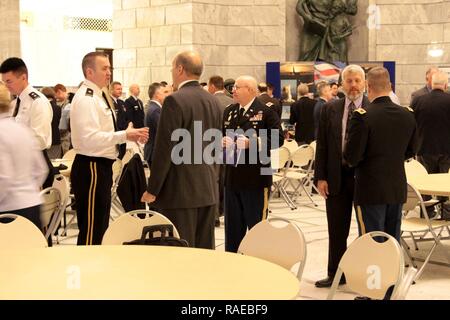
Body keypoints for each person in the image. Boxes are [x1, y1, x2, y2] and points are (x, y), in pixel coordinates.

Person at [141, 51, 222, 249]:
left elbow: (164, 149)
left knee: (181, 253)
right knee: (204, 251)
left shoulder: (174, 100)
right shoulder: (213, 101)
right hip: (207, 188)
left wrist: (153, 189)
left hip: (180, 192)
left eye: (172, 68)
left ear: (180, 69)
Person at [70, 52, 149, 245]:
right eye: (104, 68)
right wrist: (125, 135)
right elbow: (90, 139)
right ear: (89, 71)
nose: (109, 72)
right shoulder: (87, 99)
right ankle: (86, 270)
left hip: (100, 166)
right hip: (91, 167)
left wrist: (126, 133)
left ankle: (96, 269)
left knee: (100, 226)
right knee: (91, 229)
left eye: (109, 68)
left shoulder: (98, 96)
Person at [344, 66, 417, 242]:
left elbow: (351, 157)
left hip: (370, 189)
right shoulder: (407, 114)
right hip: (396, 187)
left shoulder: (362, 116)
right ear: (390, 86)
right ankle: (392, 270)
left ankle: (376, 270)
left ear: (368, 86)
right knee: (393, 241)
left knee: (371, 242)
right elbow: (412, 150)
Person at [314, 64, 369, 288]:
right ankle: (335, 273)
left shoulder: (373, 107)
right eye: (349, 81)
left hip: (365, 179)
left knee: (367, 231)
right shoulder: (330, 109)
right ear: (342, 84)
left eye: (357, 80)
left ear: (365, 83)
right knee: (336, 229)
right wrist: (320, 177)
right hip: (336, 178)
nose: (353, 85)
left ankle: (368, 274)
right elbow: (323, 146)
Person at [222, 75, 284, 253]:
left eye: (237, 87)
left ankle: (258, 265)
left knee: (257, 228)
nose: (233, 90)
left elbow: (278, 139)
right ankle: (233, 264)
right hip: (233, 178)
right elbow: (223, 135)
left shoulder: (266, 111)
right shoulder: (230, 111)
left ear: (250, 90)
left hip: (256, 178)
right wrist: (221, 142)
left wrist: (252, 143)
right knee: (232, 229)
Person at [0, 57, 54, 188]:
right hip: (19, 164)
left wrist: (15, 145)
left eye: (9, 81)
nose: (6, 86)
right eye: (3, 82)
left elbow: (40, 139)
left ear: (23, 77)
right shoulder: (14, 103)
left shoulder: (37, 102)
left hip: (35, 165)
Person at [0, 82, 48, 229]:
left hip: (9, 211)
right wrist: (27, 189)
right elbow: (41, 169)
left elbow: (4, 177)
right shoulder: (22, 129)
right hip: (32, 205)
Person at [413, 71, 450, 218]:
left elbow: (412, 124)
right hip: (447, 149)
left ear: (431, 84)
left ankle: (426, 212)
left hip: (424, 148)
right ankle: (446, 212)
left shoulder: (418, 101)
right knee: (445, 182)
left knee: (425, 181)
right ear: (445, 85)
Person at [208, 75, 234, 227]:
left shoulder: (209, 102)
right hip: (231, 147)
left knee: (215, 182)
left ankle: (215, 215)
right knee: (225, 180)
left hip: (212, 147)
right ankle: (225, 211)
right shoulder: (231, 102)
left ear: (212, 86)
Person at [143, 82, 170, 166]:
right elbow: (164, 131)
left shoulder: (154, 107)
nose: (166, 95)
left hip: (154, 153)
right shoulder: (155, 110)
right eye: (164, 92)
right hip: (155, 153)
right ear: (157, 95)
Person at [41, 87, 62, 159]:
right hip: (55, 139)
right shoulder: (58, 108)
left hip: (44, 140)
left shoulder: (41, 107)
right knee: (55, 164)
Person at [54, 84, 72, 155]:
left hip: (65, 138)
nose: (56, 97)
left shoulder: (68, 105)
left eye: (55, 95)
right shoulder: (64, 103)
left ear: (59, 92)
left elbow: (63, 126)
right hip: (64, 137)